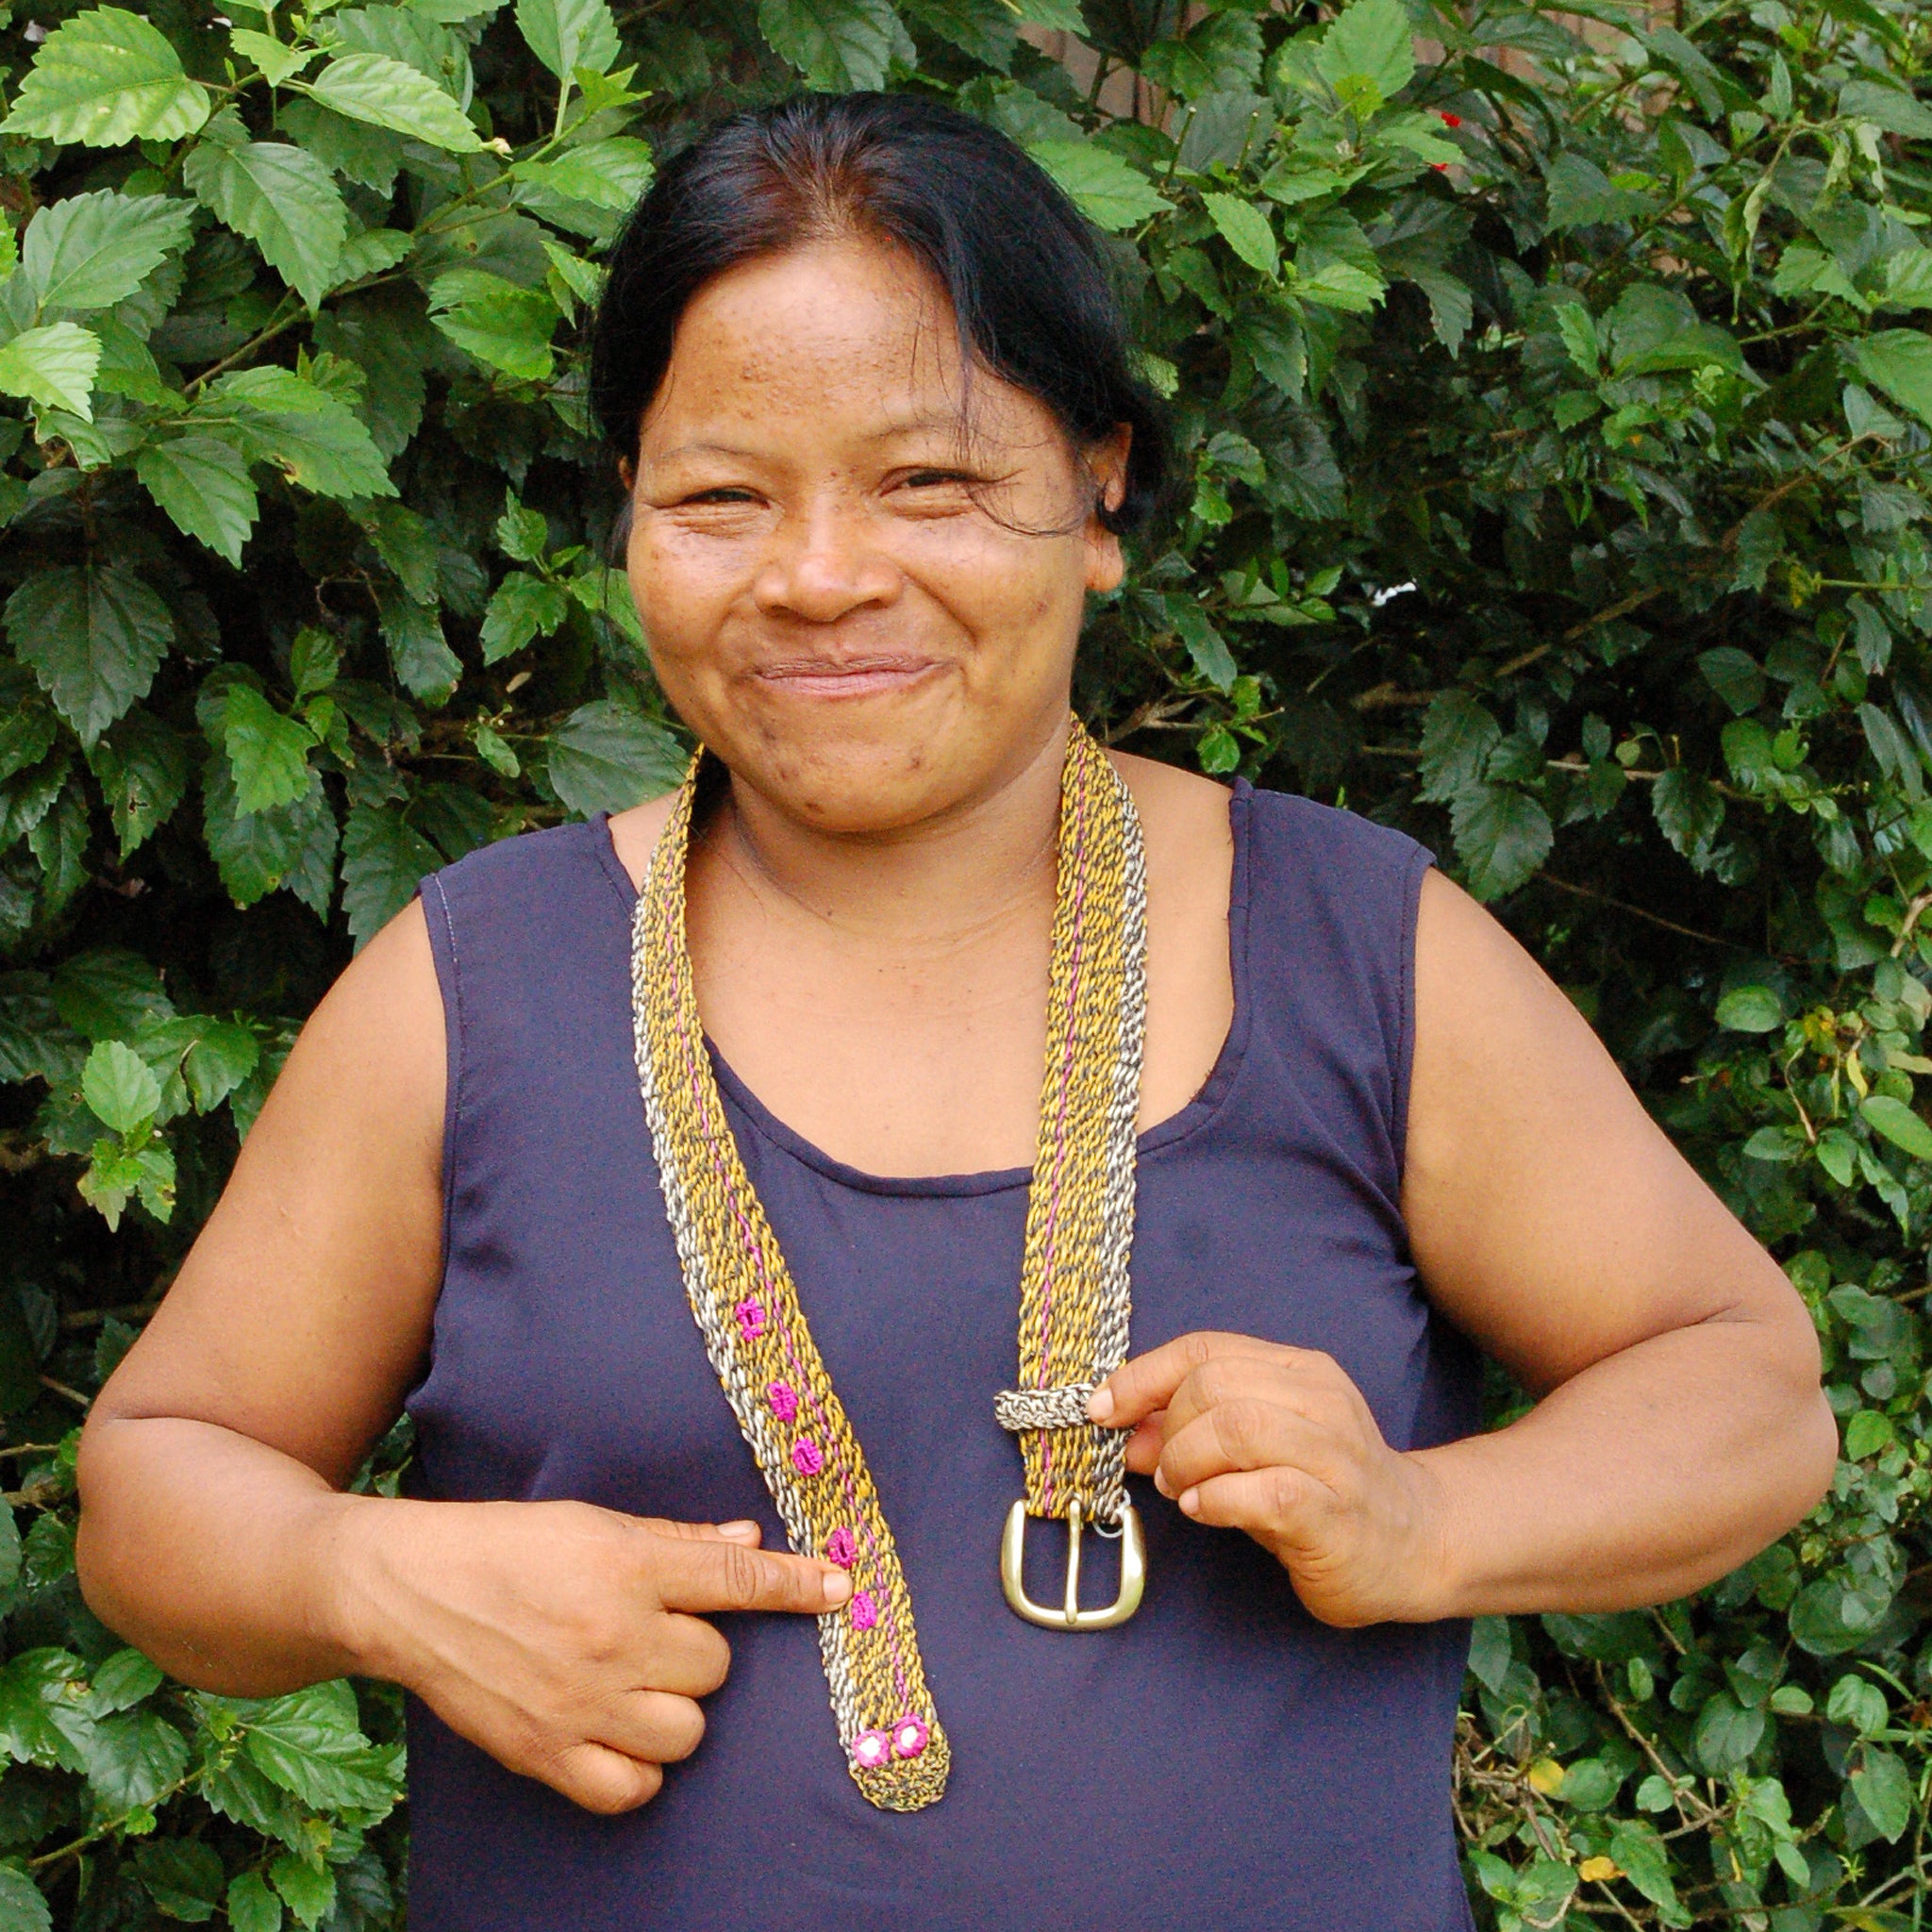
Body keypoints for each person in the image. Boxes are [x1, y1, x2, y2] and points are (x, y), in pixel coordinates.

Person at [75, 92, 1836, 1931]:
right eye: (720, 494)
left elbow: (1744, 1390)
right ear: (629, 519)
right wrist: (375, 1574)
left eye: (928, 483)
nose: (821, 574)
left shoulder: (1355, 953)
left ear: (1097, 497)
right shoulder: (470, 988)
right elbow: (149, 1492)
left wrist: (1421, 1525)